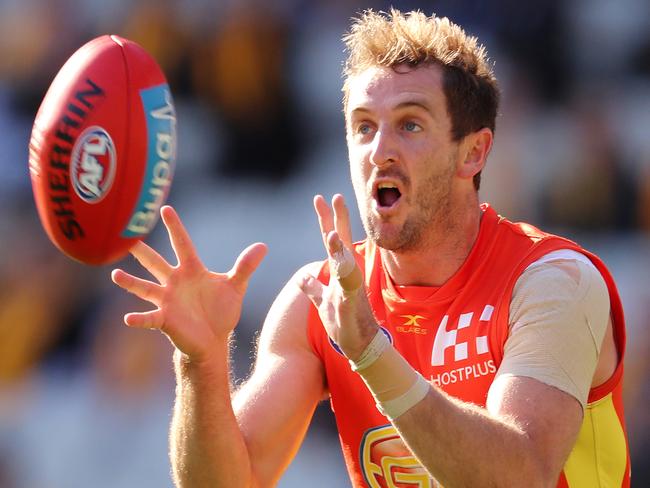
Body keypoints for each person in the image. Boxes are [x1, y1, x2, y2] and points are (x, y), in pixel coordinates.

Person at [111, 9, 630, 487]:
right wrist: (200, 365)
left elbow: (520, 477)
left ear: (474, 153)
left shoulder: (552, 281)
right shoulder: (318, 300)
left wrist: (370, 353)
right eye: (364, 127)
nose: (380, 150)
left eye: (410, 124)